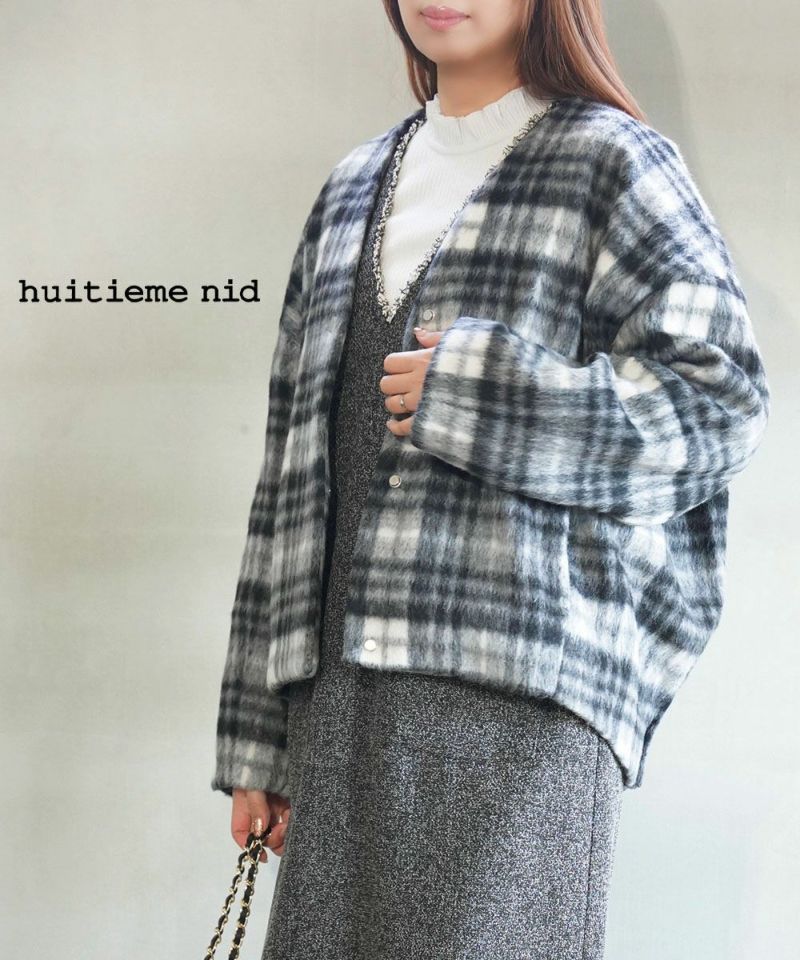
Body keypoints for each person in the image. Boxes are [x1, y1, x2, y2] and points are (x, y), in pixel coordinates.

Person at [211, 2, 771, 957]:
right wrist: (259, 735)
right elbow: (288, 483)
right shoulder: (350, 189)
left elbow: (719, 403)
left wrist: (486, 395)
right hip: (339, 705)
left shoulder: (613, 163)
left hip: (522, 707)